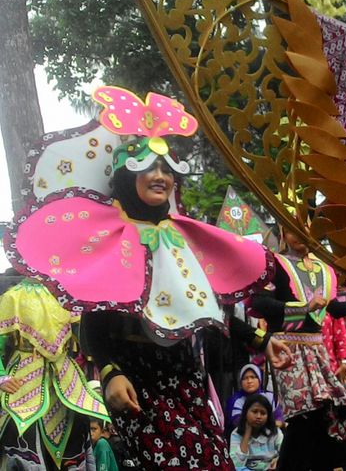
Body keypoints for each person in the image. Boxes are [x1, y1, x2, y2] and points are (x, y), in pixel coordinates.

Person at [5, 86, 292, 470]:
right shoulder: (110, 234)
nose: (160, 176)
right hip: (135, 377)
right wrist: (110, 373)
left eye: (166, 170)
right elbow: (94, 317)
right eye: (147, 167)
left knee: (213, 460)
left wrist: (261, 339)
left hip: (186, 375)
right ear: (127, 175)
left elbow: (204, 308)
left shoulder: (180, 235)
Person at [251, 227, 346, 470]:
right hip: (286, 347)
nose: (301, 237)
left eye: (307, 231)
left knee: (324, 413)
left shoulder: (324, 267)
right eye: (294, 231)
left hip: (317, 349)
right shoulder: (274, 263)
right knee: (302, 416)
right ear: (283, 233)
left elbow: (335, 309)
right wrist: (302, 307)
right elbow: (260, 302)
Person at [0, 277, 109, 470]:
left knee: (74, 444)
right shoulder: (12, 297)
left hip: (66, 383)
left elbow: (89, 339)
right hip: (22, 386)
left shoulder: (71, 294)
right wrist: (1, 377)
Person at [229, 394, 283, 471]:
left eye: (263, 413)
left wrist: (278, 460)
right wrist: (247, 433)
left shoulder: (275, 432)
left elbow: (286, 454)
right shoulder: (236, 434)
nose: (258, 416)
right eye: (254, 412)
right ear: (246, 412)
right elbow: (236, 464)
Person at [225, 364, 282, 437]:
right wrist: (269, 424)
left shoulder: (269, 397)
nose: (249, 381)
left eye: (253, 377)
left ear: (259, 379)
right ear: (241, 382)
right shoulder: (235, 400)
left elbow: (279, 419)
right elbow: (238, 424)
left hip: (270, 438)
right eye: (245, 378)